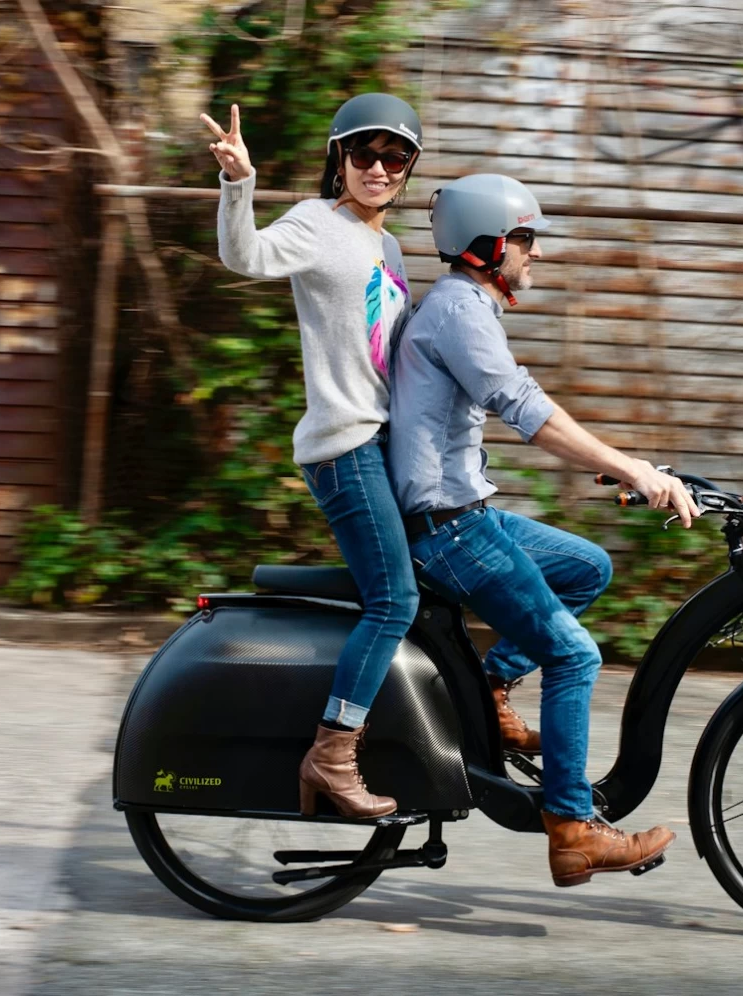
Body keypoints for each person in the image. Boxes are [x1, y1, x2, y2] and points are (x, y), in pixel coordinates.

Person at [386, 173, 702, 886]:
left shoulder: (464, 307)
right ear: (485, 245)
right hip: (449, 531)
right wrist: (632, 468)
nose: (535, 253)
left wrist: (624, 465)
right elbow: (528, 410)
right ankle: (571, 828)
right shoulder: (460, 310)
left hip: (465, 513)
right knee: (575, 656)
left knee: (587, 567)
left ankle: (491, 690)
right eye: (524, 239)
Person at [201, 93, 428, 820]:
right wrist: (239, 182)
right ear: (339, 158)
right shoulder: (315, 222)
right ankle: (331, 753)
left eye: (395, 158)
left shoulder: (390, 249)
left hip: (386, 446)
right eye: (364, 153)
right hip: (344, 445)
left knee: (417, 584)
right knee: (395, 600)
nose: (378, 169)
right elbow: (245, 256)